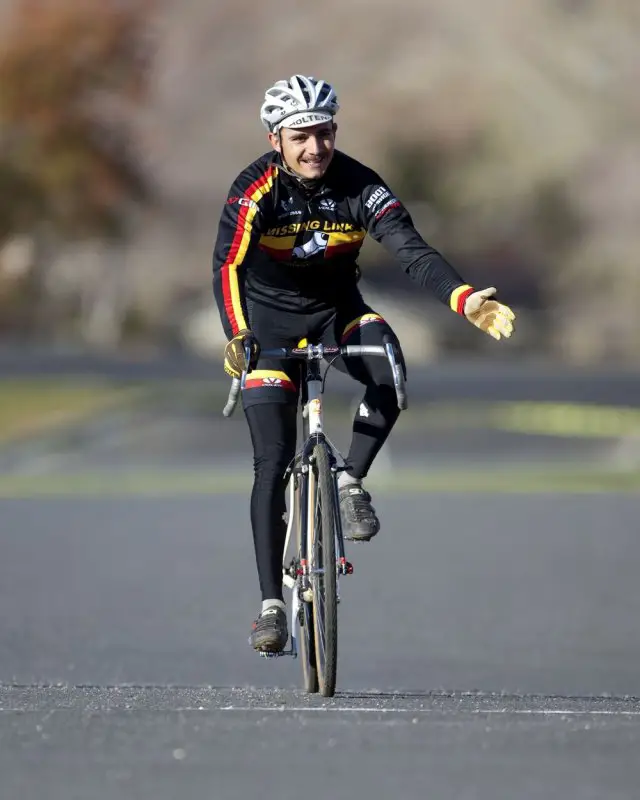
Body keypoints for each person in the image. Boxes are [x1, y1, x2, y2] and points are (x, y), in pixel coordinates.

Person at [212, 74, 515, 653]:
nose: (314, 148)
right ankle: (271, 604)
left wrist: (464, 297)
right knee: (271, 462)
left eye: (324, 133)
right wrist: (239, 334)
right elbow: (226, 266)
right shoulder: (253, 189)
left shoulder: (358, 184)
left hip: (337, 314)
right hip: (267, 330)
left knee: (390, 365)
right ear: (276, 139)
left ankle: (350, 480)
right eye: (301, 136)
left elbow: (410, 249)